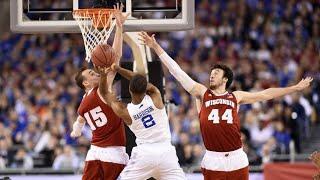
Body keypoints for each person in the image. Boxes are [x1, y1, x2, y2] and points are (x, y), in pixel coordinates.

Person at [139, 31, 313, 180]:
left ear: (225, 79)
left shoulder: (236, 96)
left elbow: (266, 94)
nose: (211, 75)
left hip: (237, 157)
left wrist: (294, 88)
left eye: (216, 73)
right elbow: (177, 72)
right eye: (211, 73)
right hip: (213, 159)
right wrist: (156, 47)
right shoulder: (202, 93)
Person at [70, 4, 130, 180]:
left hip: (95, 152)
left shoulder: (85, 101)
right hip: (111, 153)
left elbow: (79, 119)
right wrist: (119, 27)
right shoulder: (101, 90)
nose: (94, 72)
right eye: (90, 73)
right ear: (86, 84)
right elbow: (115, 57)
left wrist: (76, 131)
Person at [97, 64, 186, 180]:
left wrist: (103, 75)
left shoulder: (126, 112)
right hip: (166, 152)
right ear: (145, 89)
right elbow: (140, 80)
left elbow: (104, 94)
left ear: (129, 90)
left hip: (144, 155)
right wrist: (119, 69)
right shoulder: (155, 96)